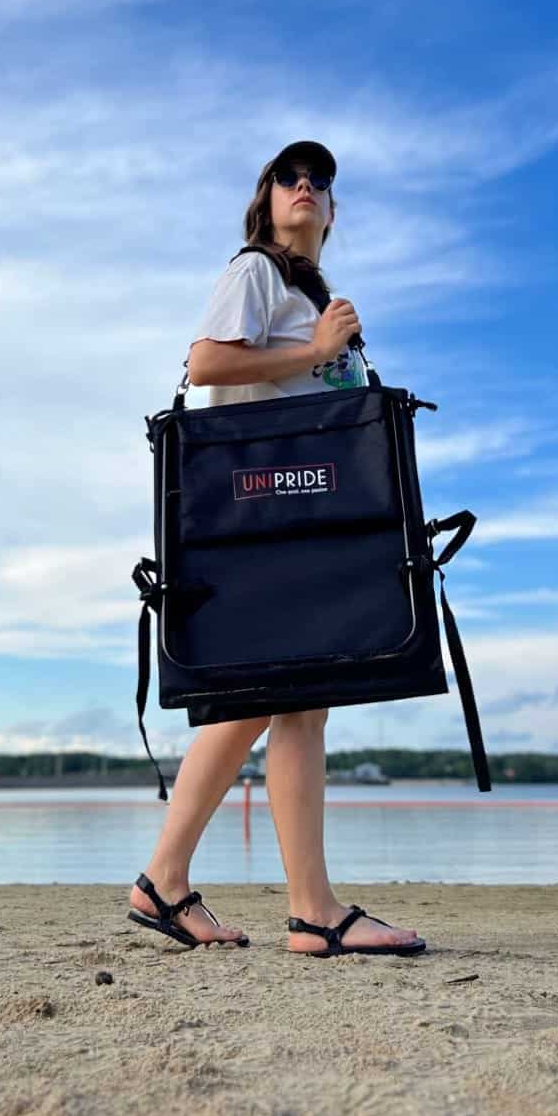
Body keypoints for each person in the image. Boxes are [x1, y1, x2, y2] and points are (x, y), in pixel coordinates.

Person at [126, 140, 427, 959]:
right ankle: (183, 882)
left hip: (307, 516)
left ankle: (300, 906)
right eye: (291, 177)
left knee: (297, 697)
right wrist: (318, 351)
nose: (307, 187)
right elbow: (205, 363)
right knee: (262, 693)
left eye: (321, 182)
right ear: (266, 199)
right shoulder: (256, 270)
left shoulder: (316, 295)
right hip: (257, 514)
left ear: (333, 211)